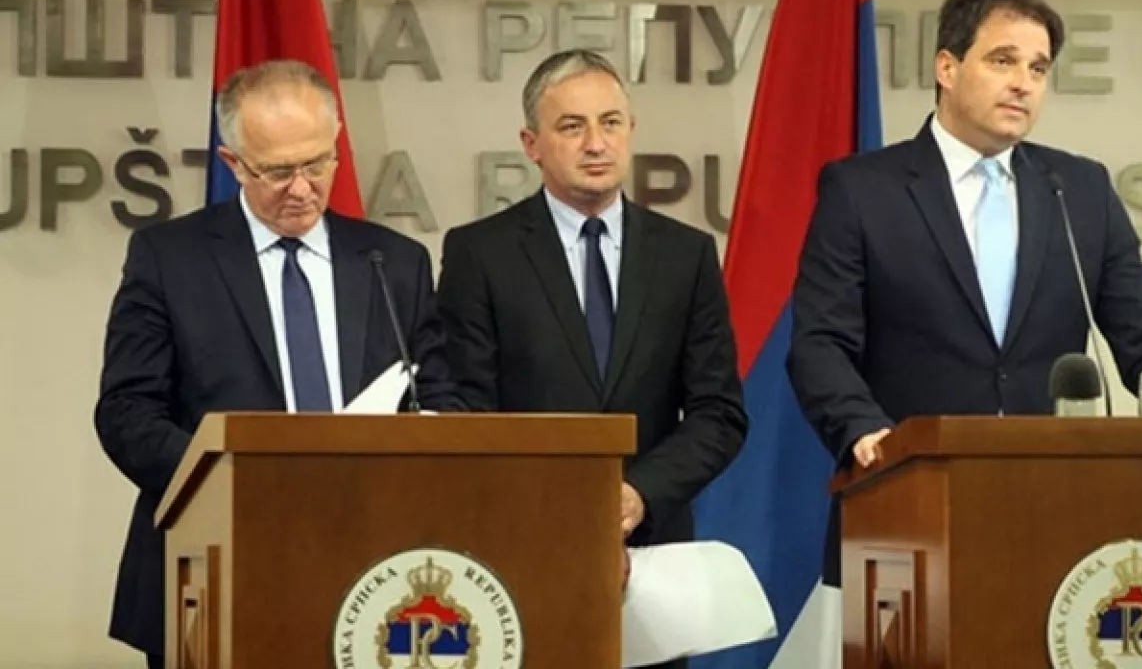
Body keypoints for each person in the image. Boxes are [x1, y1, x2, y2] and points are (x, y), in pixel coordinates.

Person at [94, 59, 466, 668]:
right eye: (278, 171)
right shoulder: (171, 258)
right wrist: (231, 483)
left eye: (317, 163)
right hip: (216, 560)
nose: (302, 188)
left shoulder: (393, 262)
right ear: (234, 163)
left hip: (373, 559)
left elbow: (443, 398)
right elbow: (127, 412)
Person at [787, 0, 1142, 474]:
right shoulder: (863, 190)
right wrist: (863, 429)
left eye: (1038, 69)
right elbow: (821, 343)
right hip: (907, 485)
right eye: (1003, 61)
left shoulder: (1080, 191)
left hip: (1052, 488)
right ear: (947, 68)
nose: (1023, 83)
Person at [435, 49, 747, 629]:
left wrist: (636, 495)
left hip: (653, 553)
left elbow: (719, 413)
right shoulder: (480, 254)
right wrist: (564, 506)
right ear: (531, 144)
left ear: (631, 130)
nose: (596, 144)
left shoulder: (686, 256)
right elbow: (466, 412)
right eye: (572, 127)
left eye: (610, 123)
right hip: (520, 552)